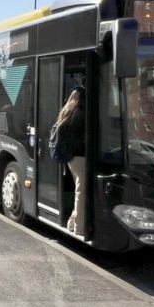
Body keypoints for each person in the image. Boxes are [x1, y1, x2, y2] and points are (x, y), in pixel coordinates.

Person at [53, 87, 85, 234]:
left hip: (72, 159)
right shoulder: (80, 113)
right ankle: (79, 227)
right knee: (81, 191)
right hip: (80, 157)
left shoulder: (67, 112)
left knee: (80, 189)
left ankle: (72, 223)